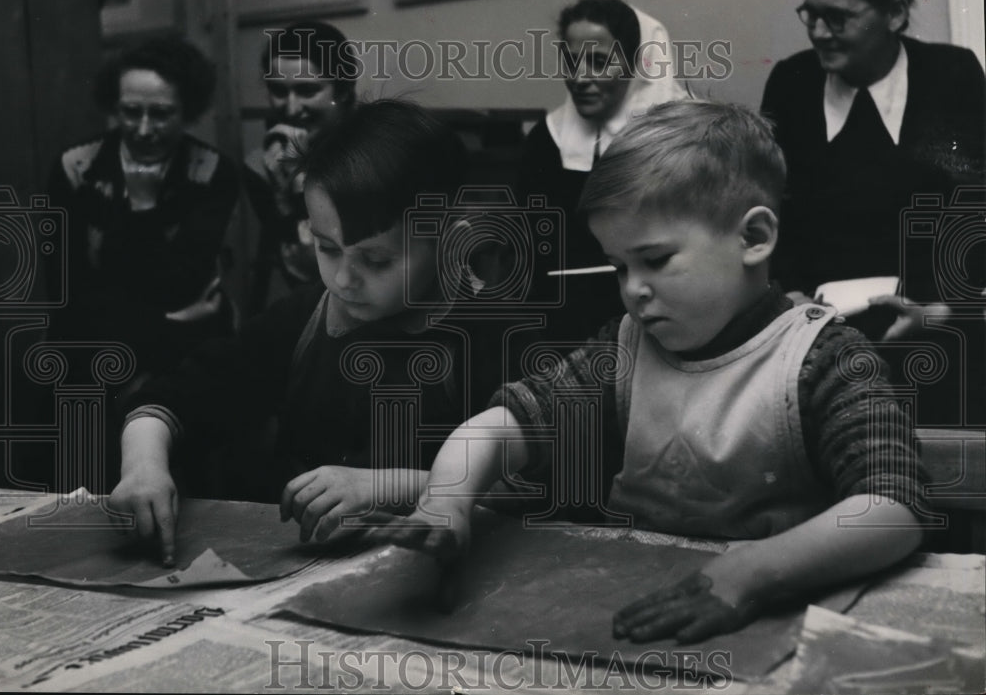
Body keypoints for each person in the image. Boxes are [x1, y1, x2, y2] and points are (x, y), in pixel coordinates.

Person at [360, 100, 928, 642]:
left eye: (655, 260)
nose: (633, 289)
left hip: (776, 611)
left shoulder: (826, 358)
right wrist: (446, 500)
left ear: (753, 237)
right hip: (630, 607)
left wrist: (752, 573)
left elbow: (892, 509)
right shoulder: (624, 349)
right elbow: (501, 427)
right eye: (618, 266)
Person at [108, 99, 509, 565]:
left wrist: (381, 486)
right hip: (303, 569)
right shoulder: (306, 318)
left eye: (376, 260)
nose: (343, 279)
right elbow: (174, 397)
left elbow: (531, 484)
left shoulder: (489, 332)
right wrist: (143, 466)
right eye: (326, 248)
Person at [761, 0, 985, 337]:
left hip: (929, 315)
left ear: (895, 14)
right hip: (814, 321)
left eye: (837, 17)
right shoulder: (791, 82)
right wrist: (789, 294)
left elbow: (974, 209)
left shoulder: (952, 76)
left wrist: (940, 309)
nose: (818, 32)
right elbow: (768, 206)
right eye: (810, 14)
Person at [47, 35, 240, 390]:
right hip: (97, 342)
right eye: (131, 112)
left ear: (188, 111)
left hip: (185, 343)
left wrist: (144, 205)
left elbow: (185, 281)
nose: (144, 130)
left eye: (162, 114)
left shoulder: (213, 172)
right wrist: (170, 322)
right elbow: (66, 290)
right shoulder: (75, 168)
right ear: (114, 107)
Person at [517, 0, 688, 344]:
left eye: (598, 61)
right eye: (571, 61)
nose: (580, 78)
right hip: (559, 321)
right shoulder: (545, 139)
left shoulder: (679, 136)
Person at [244, 21, 360, 314]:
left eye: (307, 90)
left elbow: (341, 273)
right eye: (278, 91)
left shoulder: (377, 153)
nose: (291, 108)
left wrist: (300, 185)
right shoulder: (261, 163)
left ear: (343, 90)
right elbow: (287, 266)